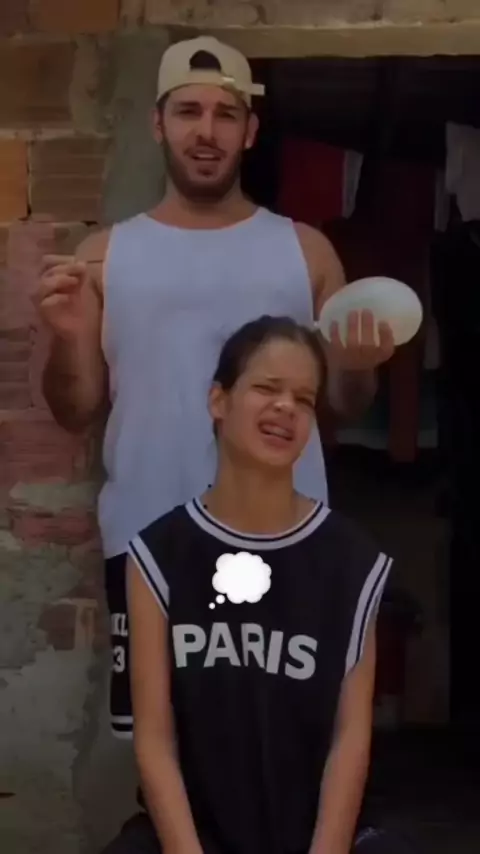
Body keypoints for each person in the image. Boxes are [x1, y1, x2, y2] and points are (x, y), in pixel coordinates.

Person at [34, 36, 395, 741]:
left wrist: (358, 363)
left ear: (250, 130)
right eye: (188, 111)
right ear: (157, 123)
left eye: (225, 114)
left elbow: (346, 405)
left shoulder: (307, 252)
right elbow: (74, 409)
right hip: (150, 540)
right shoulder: (104, 256)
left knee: (286, 744)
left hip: (285, 540)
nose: (207, 131)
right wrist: (68, 337)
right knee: (164, 746)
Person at [113, 315, 413, 854]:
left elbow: (350, 737)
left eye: (303, 399)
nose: (285, 408)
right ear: (218, 400)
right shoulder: (160, 555)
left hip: (317, 833)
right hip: (200, 833)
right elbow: (155, 740)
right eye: (267, 388)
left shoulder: (349, 559)